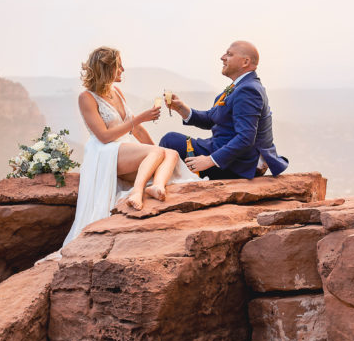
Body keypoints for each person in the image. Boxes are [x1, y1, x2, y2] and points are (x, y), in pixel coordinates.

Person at [60, 47, 200, 245]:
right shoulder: (87, 97)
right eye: (119, 66)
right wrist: (141, 119)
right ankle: (137, 191)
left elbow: (138, 131)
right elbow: (104, 136)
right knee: (158, 152)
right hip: (105, 152)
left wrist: (159, 154)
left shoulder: (116, 91)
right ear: (106, 68)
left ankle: (157, 186)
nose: (123, 70)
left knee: (171, 153)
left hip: (125, 149)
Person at [161, 41, 288, 179]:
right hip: (224, 150)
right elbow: (212, 118)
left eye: (229, 54)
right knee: (171, 140)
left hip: (239, 163)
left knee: (170, 140)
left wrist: (209, 161)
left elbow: (246, 138)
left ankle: (157, 184)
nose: (222, 57)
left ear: (245, 62)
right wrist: (181, 108)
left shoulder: (248, 90)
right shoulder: (240, 86)